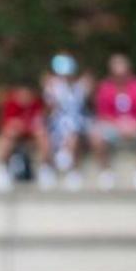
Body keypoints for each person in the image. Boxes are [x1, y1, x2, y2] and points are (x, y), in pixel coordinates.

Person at [89, 53, 136, 191]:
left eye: (123, 74)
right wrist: (118, 123)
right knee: (96, 136)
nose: (120, 78)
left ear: (129, 71)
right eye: (116, 75)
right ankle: (106, 172)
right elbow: (101, 113)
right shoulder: (105, 87)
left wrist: (134, 123)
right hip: (112, 126)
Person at [42, 53, 93, 191]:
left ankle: (70, 163)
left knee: (73, 131)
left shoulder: (81, 86)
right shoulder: (53, 86)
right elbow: (50, 109)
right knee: (50, 134)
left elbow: (84, 106)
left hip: (78, 123)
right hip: (57, 124)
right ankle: (50, 167)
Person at [0, 86, 49, 192]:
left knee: (43, 135)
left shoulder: (36, 104)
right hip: (15, 137)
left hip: (31, 137)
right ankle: (2, 169)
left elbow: (39, 123)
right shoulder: (11, 104)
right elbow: (8, 125)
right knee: (8, 136)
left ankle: (46, 168)